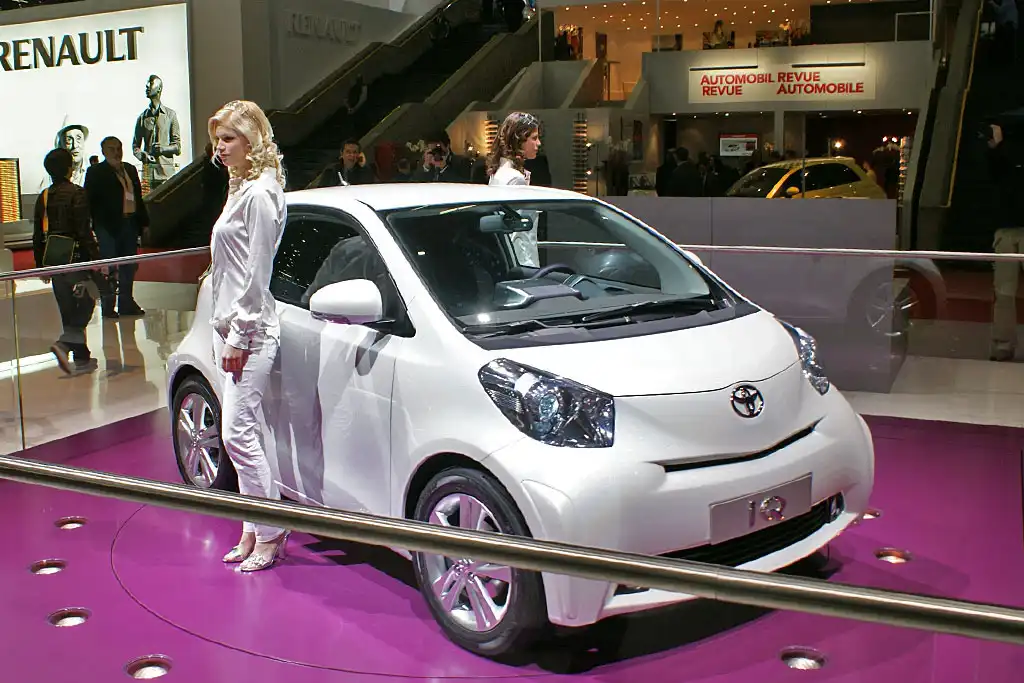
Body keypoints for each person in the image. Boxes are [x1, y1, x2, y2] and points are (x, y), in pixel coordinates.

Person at [208, 100, 289, 572]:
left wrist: (239, 335)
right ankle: (253, 526)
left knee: (237, 434)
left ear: (251, 139)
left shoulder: (260, 194)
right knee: (248, 432)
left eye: (229, 138)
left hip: (251, 332)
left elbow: (258, 273)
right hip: (231, 327)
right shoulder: (242, 188)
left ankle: (271, 532)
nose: (220, 147)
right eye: (218, 139)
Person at [33, 148, 101, 375]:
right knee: (89, 297)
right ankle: (65, 344)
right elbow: (83, 230)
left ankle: (81, 354)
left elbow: (37, 234)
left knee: (67, 307)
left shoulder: (44, 196)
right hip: (76, 257)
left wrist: (41, 265)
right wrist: (96, 258)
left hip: (53, 259)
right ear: (69, 168)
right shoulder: (77, 193)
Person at [84, 136, 148, 318]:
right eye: (111, 149)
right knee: (110, 267)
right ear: (104, 152)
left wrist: (144, 222)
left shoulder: (130, 169)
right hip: (107, 226)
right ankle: (108, 305)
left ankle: (126, 302)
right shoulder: (96, 172)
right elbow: (89, 200)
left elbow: (138, 198)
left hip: (129, 222)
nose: (116, 152)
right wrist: (93, 225)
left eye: (118, 148)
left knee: (129, 265)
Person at [487, 112, 542, 264]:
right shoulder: (515, 179)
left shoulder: (498, 172)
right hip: (521, 262)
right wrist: (529, 269)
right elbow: (519, 235)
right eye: (534, 138)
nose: (538, 143)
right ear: (519, 140)